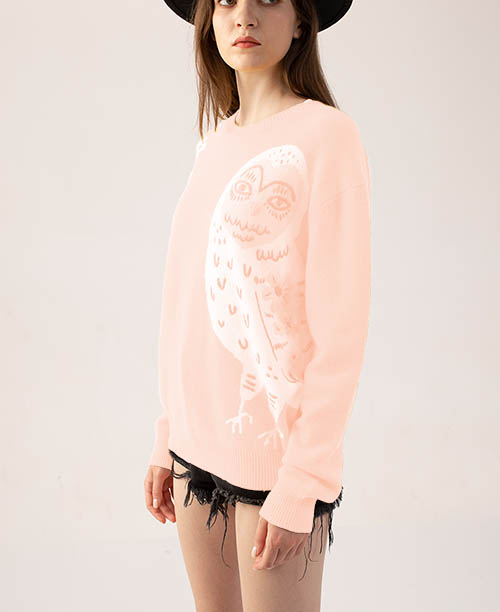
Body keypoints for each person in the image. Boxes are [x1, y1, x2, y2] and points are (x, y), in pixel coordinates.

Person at [144, 0, 371, 609]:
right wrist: (169, 432)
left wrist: (304, 479)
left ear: (301, 21)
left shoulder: (327, 136)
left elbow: (341, 328)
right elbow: (186, 303)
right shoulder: (216, 140)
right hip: (195, 451)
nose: (243, 15)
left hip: (276, 463)